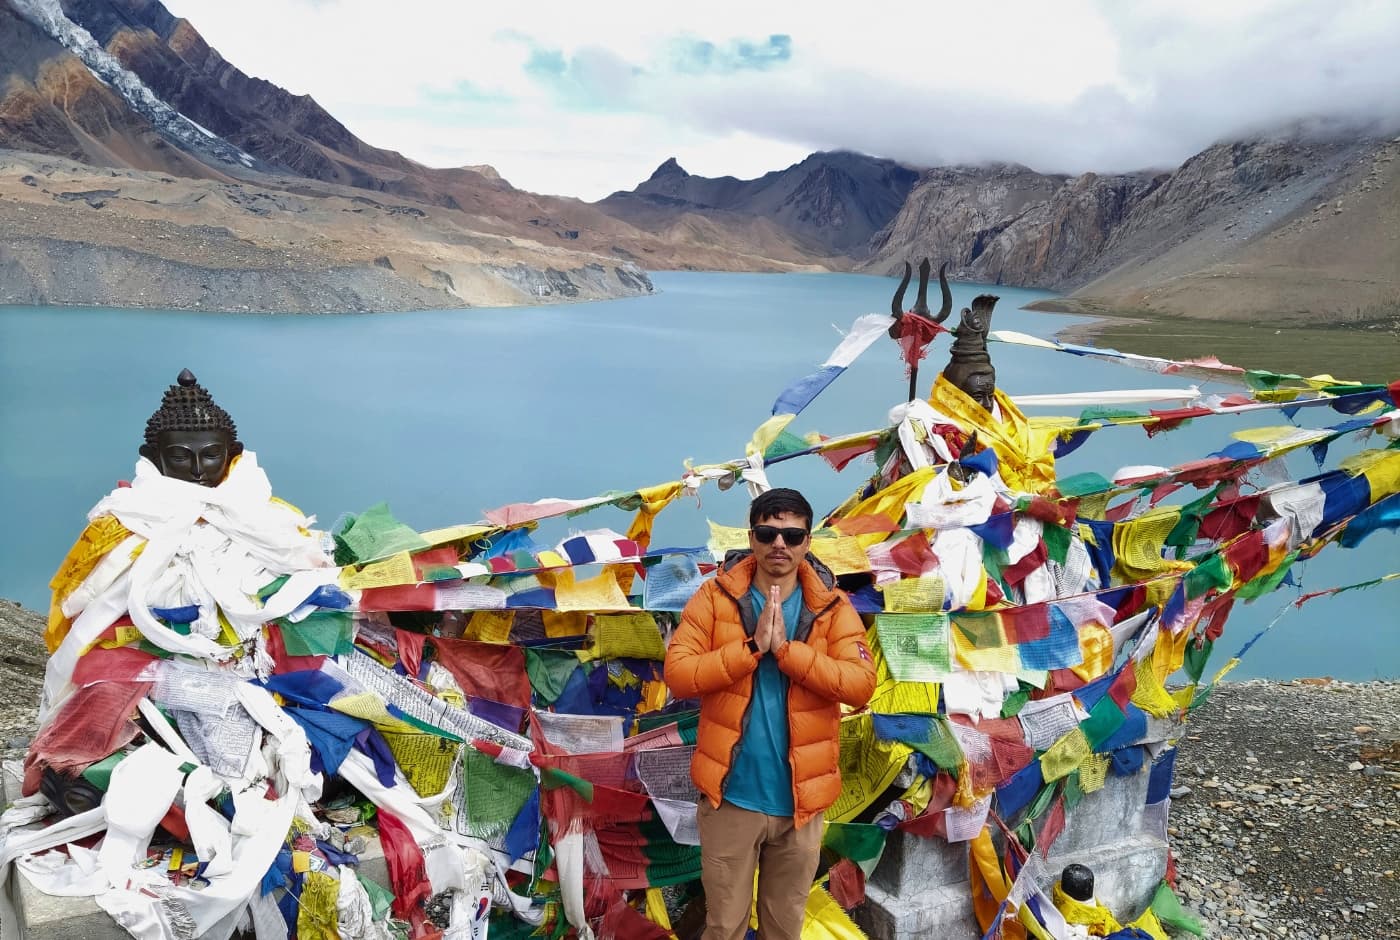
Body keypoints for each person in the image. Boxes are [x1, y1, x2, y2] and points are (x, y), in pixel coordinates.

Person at [664, 487, 876, 940]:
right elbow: (679, 674)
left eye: (792, 535)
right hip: (732, 799)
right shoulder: (715, 597)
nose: (780, 544)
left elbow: (860, 686)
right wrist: (750, 650)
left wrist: (786, 652)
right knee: (724, 926)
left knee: (785, 927)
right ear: (753, 537)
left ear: (807, 541)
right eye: (768, 532)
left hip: (801, 805)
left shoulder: (832, 608)